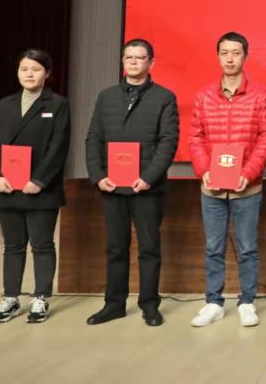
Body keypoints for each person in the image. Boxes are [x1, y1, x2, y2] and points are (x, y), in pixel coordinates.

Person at [84, 38, 179, 327]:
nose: (134, 62)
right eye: (129, 58)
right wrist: (98, 176)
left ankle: (149, 305)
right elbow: (93, 138)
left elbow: (168, 142)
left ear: (151, 62)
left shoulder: (164, 97)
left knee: (149, 249)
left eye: (140, 57)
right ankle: (114, 304)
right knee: (115, 248)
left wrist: (148, 178)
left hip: (146, 188)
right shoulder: (106, 97)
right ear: (123, 62)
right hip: (112, 186)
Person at [188, 32, 266, 328]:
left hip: (246, 188)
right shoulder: (204, 96)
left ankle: (247, 302)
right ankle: (213, 302)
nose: (230, 58)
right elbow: (196, 136)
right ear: (218, 56)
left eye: (236, 53)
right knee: (213, 248)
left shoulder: (260, 94)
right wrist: (204, 170)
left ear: (245, 57)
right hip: (211, 187)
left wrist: (247, 173)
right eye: (224, 53)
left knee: (247, 247)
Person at [0, 49, 70, 323]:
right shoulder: (5, 104)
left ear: (47, 73)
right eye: (24, 69)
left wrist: (39, 180)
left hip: (41, 188)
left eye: (35, 69)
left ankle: (40, 298)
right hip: (7, 186)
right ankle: (10, 298)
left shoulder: (57, 104)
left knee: (42, 245)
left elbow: (58, 147)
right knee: (12, 246)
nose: (29, 74)